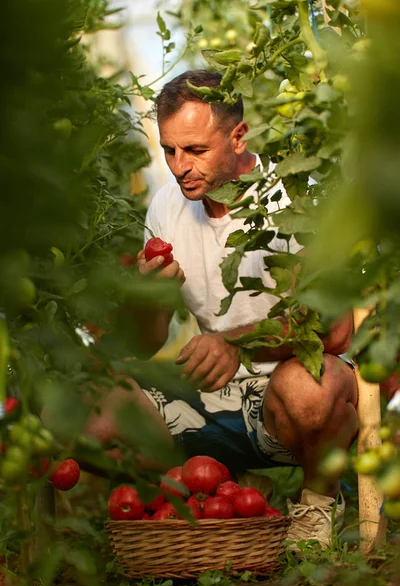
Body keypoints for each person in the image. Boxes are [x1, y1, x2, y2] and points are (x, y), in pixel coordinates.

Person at [86, 70, 358, 550]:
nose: (179, 165)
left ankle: (316, 505)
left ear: (238, 137)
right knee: (89, 414)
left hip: (290, 391)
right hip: (210, 392)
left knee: (313, 386)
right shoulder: (167, 206)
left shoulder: (294, 193)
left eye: (195, 150)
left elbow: (333, 330)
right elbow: (148, 341)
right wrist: (146, 297)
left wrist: (235, 342)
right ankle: (210, 493)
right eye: (169, 150)